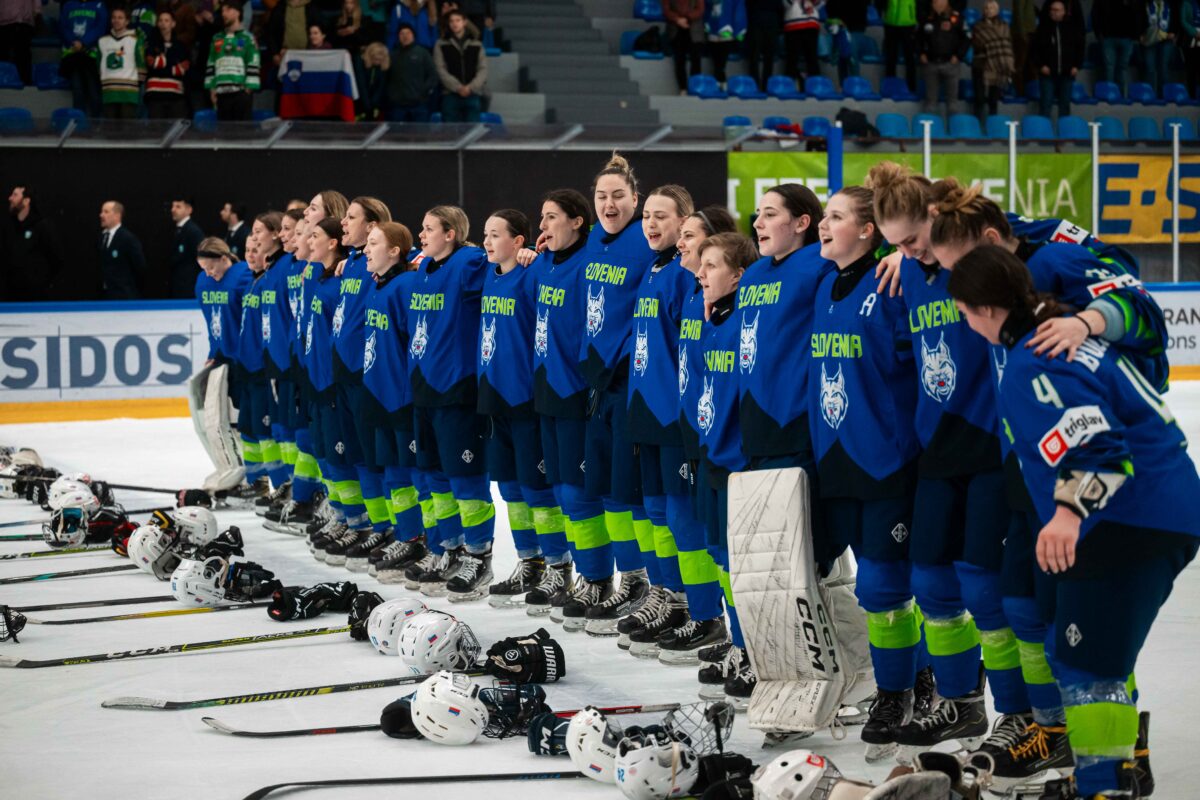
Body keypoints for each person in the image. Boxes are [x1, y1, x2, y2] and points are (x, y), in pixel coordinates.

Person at [946, 244, 1198, 800]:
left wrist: (1065, 515)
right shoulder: (1060, 331)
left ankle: (1102, 787)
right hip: (1157, 511)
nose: (967, 324)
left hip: (1133, 518)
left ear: (986, 309)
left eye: (964, 312)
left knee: (1088, 666)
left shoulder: (1034, 360)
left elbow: (1103, 452)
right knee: (1077, 651)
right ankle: (1112, 775)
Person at [807, 185, 929, 760]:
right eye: (823, 217)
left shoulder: (893, 283)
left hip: (887, 459)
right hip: (835, 461)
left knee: (885, 587)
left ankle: (906, 689)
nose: (824, 226)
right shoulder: (823, 286)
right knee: (864, 591)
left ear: (867, 230)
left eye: (835, 217)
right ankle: (910, 678)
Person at [623, 185, 727, 664]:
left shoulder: (692, 283)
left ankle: (706, 615)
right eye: (647, 216)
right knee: (660, 515)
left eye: (667, 220)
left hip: (680, 417)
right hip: (652, 409)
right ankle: (672, 598)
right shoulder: (657, 271)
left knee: (686, 522)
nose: (655, 227)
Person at [568, 153, 657, 635]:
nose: (609, 203)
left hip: (628, 383)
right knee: (605, 492)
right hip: (595, 384)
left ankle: (641, 580)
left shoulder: (645, 243)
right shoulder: (592, 245)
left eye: (618, 196)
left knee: (630, 492)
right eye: (601, 196)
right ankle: (624, 578)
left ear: (635, 200)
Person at [475, 209, 571, 608]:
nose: (487, 241)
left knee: (538, 489)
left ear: (519, 241)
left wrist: (537, 255)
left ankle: (558, 567)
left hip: (526, 398)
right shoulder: (486, 273)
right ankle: (528, 561)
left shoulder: (532, 273)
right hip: (494, 397)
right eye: (485, 234)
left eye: (495, 235)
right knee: (511, 491)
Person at [403, 206, 497, 600]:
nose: (421, 235)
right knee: (433, 479)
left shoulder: (469, 261)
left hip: (456, 389)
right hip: (424, 389)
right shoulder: (425, 270)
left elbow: (498, 266)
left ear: (451, 234)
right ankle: (449, 548)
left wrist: (526, 255)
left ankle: (479, 556)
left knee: (465, 480)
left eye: (428, 229)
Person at [526, 188, 595, 618]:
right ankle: (566, 569)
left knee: (578, 492)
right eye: (542, 218)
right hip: (545, 389)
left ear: (577, 222)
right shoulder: (545, 264)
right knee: (556, 490)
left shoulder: (590, 263)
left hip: (575, 389)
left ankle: (596, 577)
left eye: (552, 217)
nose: (543, 226)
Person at [3, 186, 63, 302]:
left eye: (15, 195)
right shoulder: (8, 228)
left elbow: (56, 259)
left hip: (36, 297)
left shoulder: (42, 227)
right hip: (11, 296)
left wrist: (41, 283)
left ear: (26, 201)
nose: (10, 198)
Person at [205, 2, 260, 122]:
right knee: (223, 136)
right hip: (221, 94)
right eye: (222, 10)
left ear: (237, 12)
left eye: (228, 10)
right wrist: (212, 88)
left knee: (242, 136)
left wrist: (247, 90)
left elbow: (253, 63)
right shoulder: (216, 38)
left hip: (241, 93)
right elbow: (211, 64)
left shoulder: (248, 38)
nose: (223, 13)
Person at [433, 9, 487, 123]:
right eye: (451, 21)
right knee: (449, 134)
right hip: (450, 95)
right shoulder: (440, 44)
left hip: (472, 94)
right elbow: (440, 69)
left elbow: (483, 69)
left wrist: (470, 87)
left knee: (471, 133)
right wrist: (458, 87)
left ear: (464, 22)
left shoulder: (477, 44)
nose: (454, 24)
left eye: (458, 20)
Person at [1033, 0, 1084, 120]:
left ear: (1063, 12)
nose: (1053, 12)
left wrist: (1077, 65)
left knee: (1065, 105)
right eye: (1051, 10)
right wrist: (1041, 66)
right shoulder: (1042, 29)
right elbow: (1034, 51)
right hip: (1047, 74)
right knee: (1045, 104)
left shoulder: (1072, 28)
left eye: (1056, 10)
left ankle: (1064, 134)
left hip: (1067, 74)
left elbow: (1080, 48)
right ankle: (1043, 134)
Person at [58, 0, 108, 117]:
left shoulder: (99, 5)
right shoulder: (68, 5)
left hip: (91, 57)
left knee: (93, 91)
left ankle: (96, 123)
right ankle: (79, 125)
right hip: (73, 56)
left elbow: (101, 27)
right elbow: (63, 26)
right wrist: (73, 42)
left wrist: (84, 42)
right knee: (77, 90)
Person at [917, 0, 967, 117]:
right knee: (930, 104)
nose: (934, 2)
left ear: (946, 2)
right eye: (933, 1)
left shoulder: (956, 18)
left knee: (952, 105)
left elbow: (967, 38)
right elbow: (918, 38)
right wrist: (921, 53)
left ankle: (955, 132)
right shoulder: (926, 18)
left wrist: (959, 55)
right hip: (931, 63)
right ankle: (929, 133)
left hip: (950, 64)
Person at [98, 6, 146, 120]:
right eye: (114, 17)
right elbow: (99, 65)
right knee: (110, 130)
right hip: (109, 92)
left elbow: (141, 65)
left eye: (120, 17)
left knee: (127, 131)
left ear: (127, 21)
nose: (116, 20)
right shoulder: (102, 41)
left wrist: (135, 85)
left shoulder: (135, 40)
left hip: (128, 93)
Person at [144, 8, 190, 119]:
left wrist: (161, 62)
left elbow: (184, 69)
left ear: (173, 24)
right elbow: (151, 65)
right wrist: (173, 68)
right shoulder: (150, 45)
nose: (163, 23)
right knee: (156, 133)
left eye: (166, 20)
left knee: (176, 132)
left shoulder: (181, 46)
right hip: (155, 96)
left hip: (176, 96)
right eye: (160, 20)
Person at [970, 0, 1012, 121]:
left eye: (991, 8)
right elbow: (977, 43)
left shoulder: (1004, 25)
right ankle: (977, 124)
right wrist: (993, 43)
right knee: (979, 98)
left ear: (997, 11)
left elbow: (1006, 44)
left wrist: (992, 45)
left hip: (998, 64)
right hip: (980, 64)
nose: (988, 11)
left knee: (993, 99)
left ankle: (993, 125)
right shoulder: (978, 26)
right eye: (986, 8)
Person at [386, 21, 437, 121]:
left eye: (408, 33)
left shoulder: (422, 53)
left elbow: (433, 75)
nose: (405, 36)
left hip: (419, 104)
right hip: (398, 105)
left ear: (413, 35)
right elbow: (386, 78)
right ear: (398, 36)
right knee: (399, 134)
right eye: (402, 33)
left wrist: (423, 91)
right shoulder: (392, 55)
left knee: (419, 134)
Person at [1092, 0, 1144, 97]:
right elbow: (1095, 13)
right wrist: (1099, 33)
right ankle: (1109, 94)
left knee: (1122, 68)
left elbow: (1138, 13)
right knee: (1109, 67)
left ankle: (1120, 95)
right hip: (1108, 37)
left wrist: (1136, 34)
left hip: (1127, 38)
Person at [98, 200, 146, 299]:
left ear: (117, 215)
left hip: (124, 296)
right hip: (105, 295)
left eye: (106, 212)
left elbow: (140, 266)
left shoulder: (128, 238)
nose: (101, 215)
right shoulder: (102, 238)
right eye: (101, 212)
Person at [661, 0, 704, 95]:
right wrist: (677, 19)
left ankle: (695, 88)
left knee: (696, 60)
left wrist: (687, 18)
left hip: (694, 30)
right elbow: (666, 10)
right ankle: (683, 88)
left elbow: (700, 9)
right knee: (680, 60)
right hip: (676, 30)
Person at [169, 197, 205, 298]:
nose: (173, 210)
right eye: (172, 206)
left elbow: (201, 259)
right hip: (178, 286)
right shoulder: (177, 230)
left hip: (188, 288)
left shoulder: (194, 232)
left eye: (178, 207)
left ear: (189, 210)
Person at [782, 0, 823, 86]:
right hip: (793, 23)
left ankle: (815, 86)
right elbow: (786, 3)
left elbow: (821, 3)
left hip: (811, 23)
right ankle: (788, 86)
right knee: (792, 58)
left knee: (812, 58)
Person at [266, 0, 318, 68]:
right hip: (284, 56)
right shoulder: (280, 7)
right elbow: (271, 32)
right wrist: (274, 53)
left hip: (307, 55)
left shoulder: (311, 7)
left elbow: (319, 32)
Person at [744, 0, 781, 92]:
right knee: (754, 56)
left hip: (771, 23)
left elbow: (780, 8)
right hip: (755, 22)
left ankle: (767, 86)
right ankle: (754, 85)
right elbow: (748, 6)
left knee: (769, 57)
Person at [882, 0, 918, 93]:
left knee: (910, 57)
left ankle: (911, 88)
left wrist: (917, 17)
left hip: (908, 24)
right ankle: (889, 88)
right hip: (890, 22)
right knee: (890, 57)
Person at [0, 0, 37, 86]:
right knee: (2, 53)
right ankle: (3, 81)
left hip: (24, 22)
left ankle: (25, 81)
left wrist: (36, 10)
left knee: (23, 53)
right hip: (3, 22)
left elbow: (36, 6)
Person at [1143, 0, 1174, 97]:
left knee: (1163, 68)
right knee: (1150, 68)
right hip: (1150, 40)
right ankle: (1150, 95)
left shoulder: (1170, 4)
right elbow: (1139, 18)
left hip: (1166, 41)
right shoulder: (1146, 4)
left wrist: (1173, 33)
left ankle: (1163, 96)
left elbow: (1176, 19)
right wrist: (1141, 34)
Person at [355, 41, 389, 120]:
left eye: (380, 60)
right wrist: (367, 104)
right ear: (369, 56)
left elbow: (381, 86)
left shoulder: (383, 65)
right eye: (375, 59)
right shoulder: (360, 61)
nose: (378, 62)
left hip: (375, 103)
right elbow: (361, 84)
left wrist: (374, 103)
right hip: (360, 101)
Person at [1184, 0, 1200, 100]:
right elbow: (1183, 20)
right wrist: (1194, 33)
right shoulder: (1186, 3)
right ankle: (1192, 96)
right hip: (1191, 40)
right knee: (1192, 69)